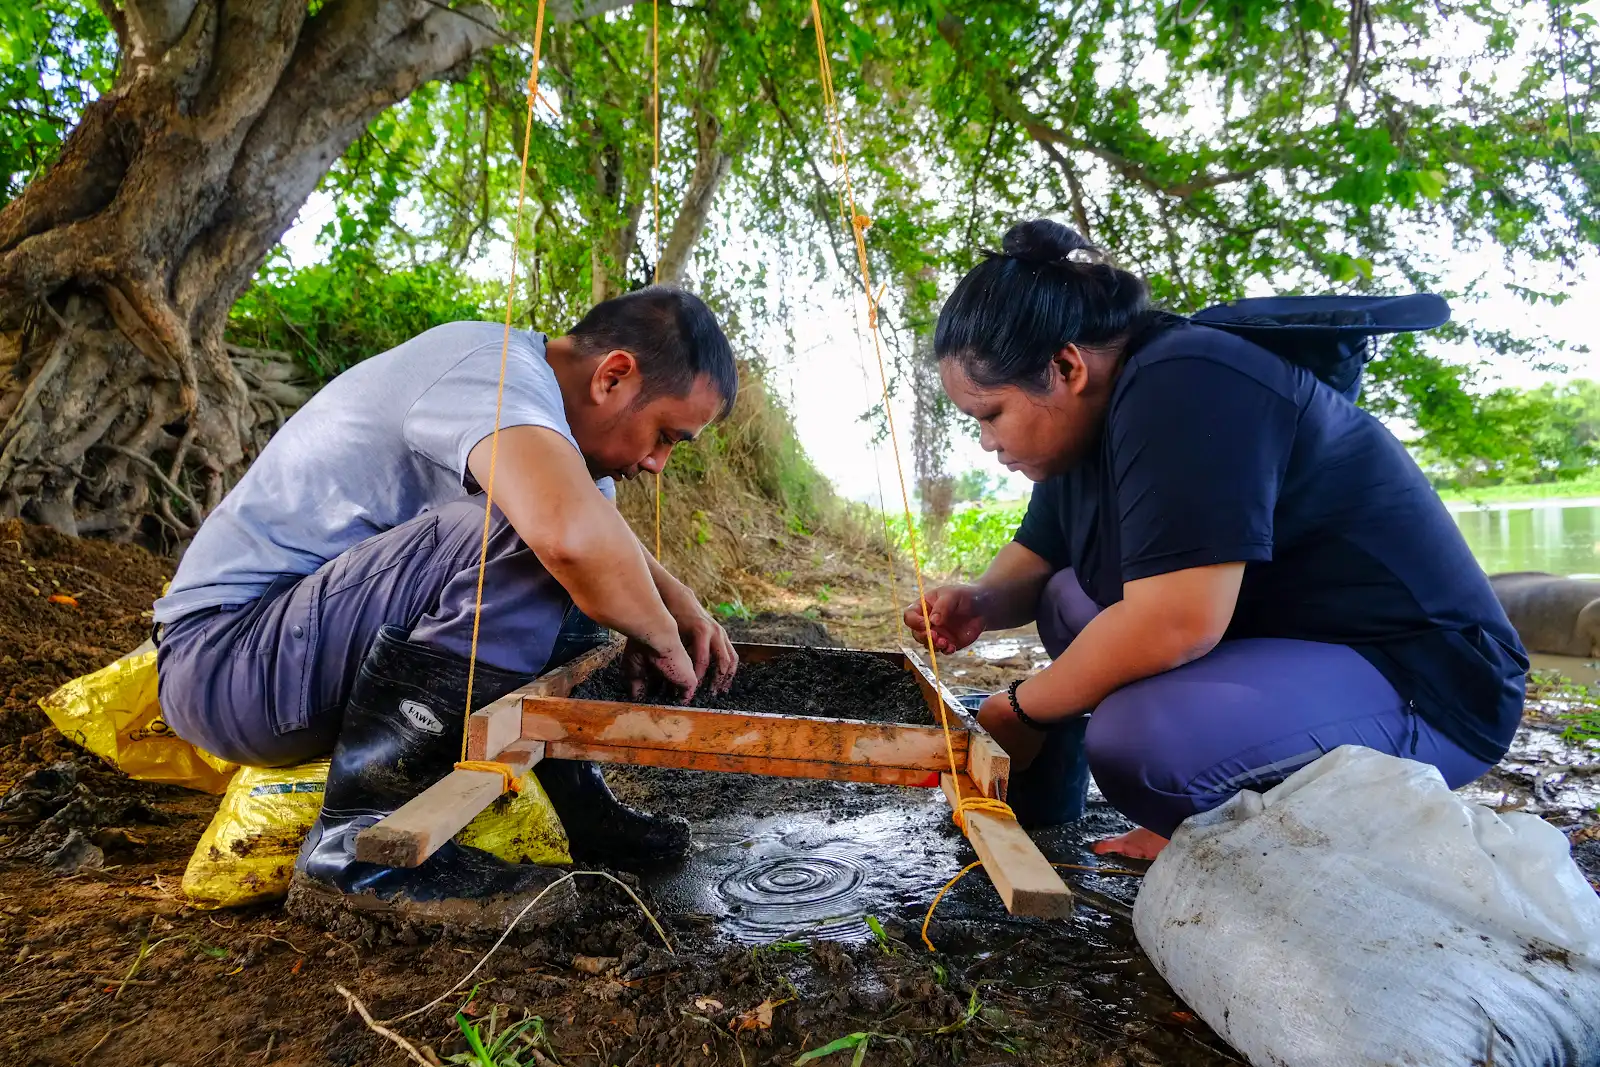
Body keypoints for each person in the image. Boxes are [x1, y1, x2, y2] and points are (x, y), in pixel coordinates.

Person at [905, 220, 1527, 860]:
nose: (987, 441)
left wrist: (1020, 710)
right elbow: (1041, 555)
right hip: (1292, 650)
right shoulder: (1087, 427)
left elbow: (1177, 621)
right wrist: (979, 600)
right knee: (1067, 597)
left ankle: (1207, 793)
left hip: (1424, 681)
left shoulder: (1187, 383)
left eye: (991, 414)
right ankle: (1201, 792)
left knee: (1138, 744)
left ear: (1065, 367)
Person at [153, 286, 740, 927]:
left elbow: (599, 543)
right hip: (230, 659)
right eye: (665, 436)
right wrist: (656, 634)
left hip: (304, 659)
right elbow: (566, 536)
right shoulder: (487, 369)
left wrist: (677, 603)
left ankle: (577, 807)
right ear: (614, 375)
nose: (658, 463)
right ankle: (359, 849)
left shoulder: (564, 444)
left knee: (591, 554)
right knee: (542, 536)